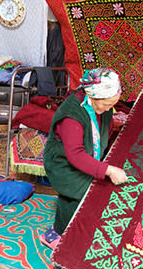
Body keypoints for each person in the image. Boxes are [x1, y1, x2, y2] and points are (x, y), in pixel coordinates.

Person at [40, 68, 129, 249]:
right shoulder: (72, 115)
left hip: (84, 156)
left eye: (113, 104)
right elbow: (75, 155)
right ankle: (54, 234)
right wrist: (108, 170)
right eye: (106, 104)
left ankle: (73, 224)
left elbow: (102, 130)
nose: (109, 109)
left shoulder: (101, 106)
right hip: (62, 163)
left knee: (99, 188)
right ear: (94, 97)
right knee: (80, 190)